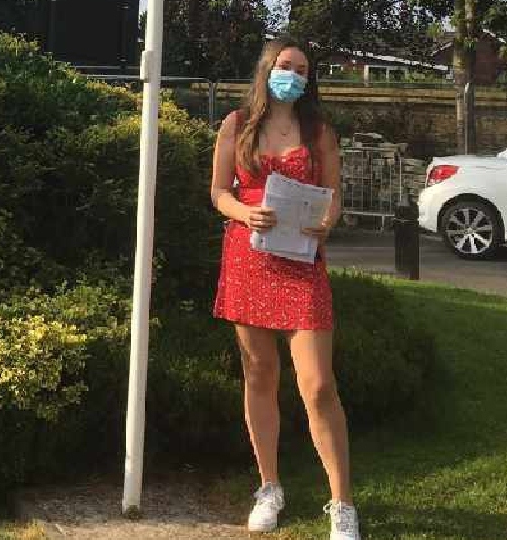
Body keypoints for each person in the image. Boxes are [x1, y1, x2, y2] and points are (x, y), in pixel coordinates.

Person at [210, 37, 360, 539]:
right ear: (267, 68)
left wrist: (327, 222)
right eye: (284, 65)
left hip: (301, 262)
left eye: (301, 69)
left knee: (318, 386)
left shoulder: (318, 132)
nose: (292, 74)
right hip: (248, 260)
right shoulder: (236, 125)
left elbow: (334, 196)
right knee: (260, 375)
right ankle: (269, 486)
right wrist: (243, 211)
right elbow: (219, 192)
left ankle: (342, 503)